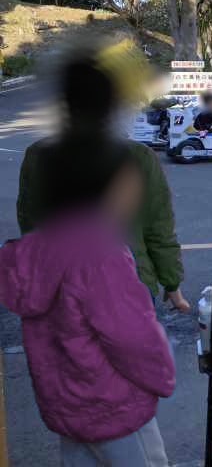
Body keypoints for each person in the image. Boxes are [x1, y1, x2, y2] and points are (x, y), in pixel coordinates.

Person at [0, 135, 175, 465]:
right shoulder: (100, 253)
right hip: (114, 408)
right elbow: (131, 337)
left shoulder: (35, 252)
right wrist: (163, 377)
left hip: (66, 407)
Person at [17, 42, 190, 312]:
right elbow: (158, 228)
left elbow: (30, 225)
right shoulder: (137, 156)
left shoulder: (39, 155)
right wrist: (172, 283)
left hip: (60, 288)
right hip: (129, 284)